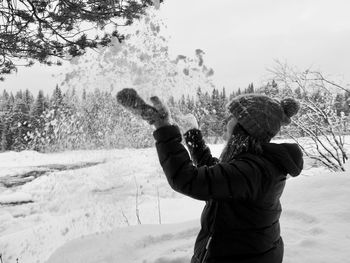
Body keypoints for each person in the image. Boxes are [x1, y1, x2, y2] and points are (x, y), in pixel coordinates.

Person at [117, 90, 304, 263]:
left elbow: (187, 179)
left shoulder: (252, 171)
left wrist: (163, 127)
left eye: (232, 117)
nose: (227, 122)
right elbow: (218, 173)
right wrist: (192, 134)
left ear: (245, 128)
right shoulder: (258, 164)